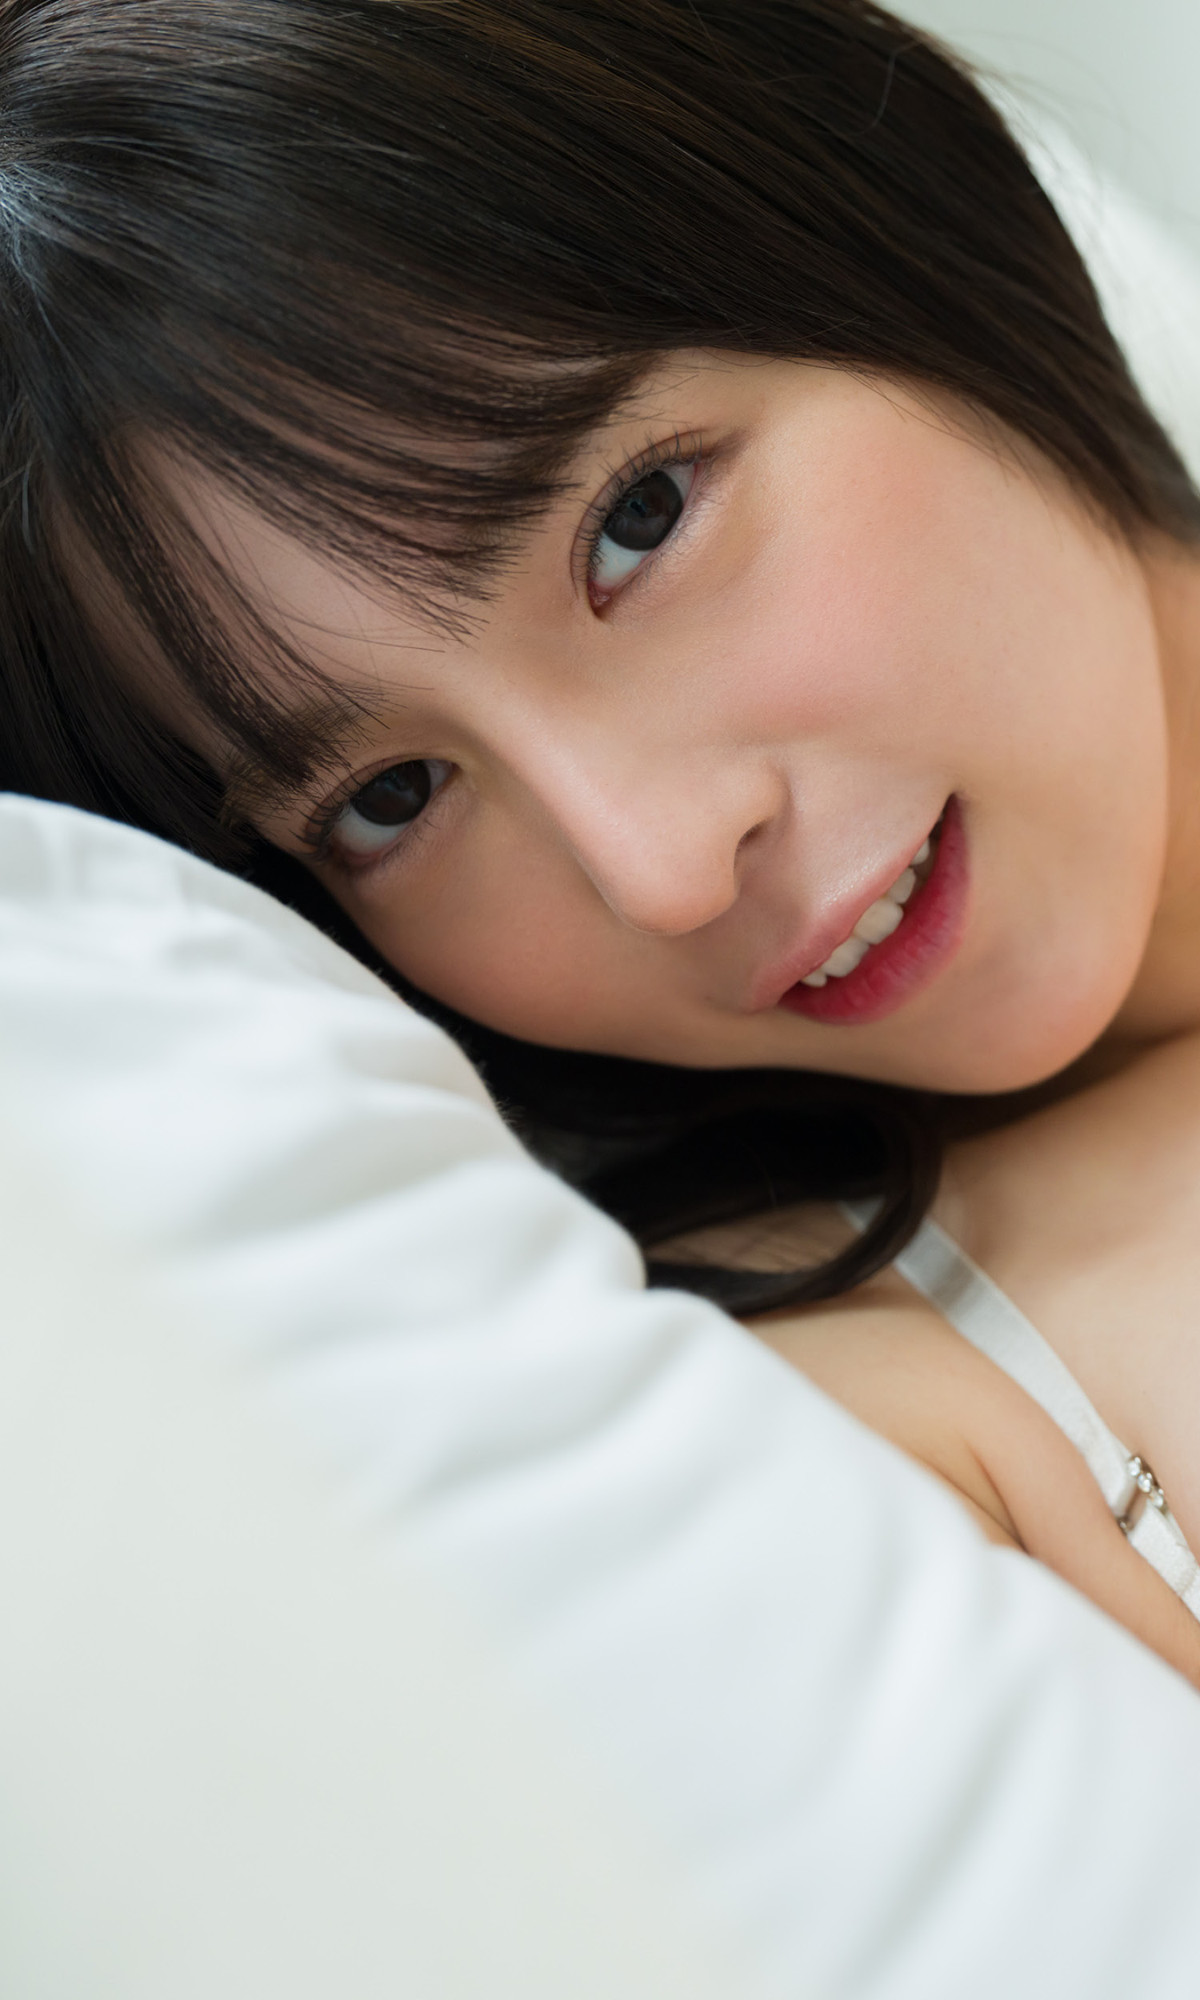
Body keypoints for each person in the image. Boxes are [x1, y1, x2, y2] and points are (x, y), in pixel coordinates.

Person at [2, 0, 1200, 1675]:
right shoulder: (841, 1451)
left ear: (877, 211)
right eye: (391, 799)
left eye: (638, 521)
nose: (662, 868)